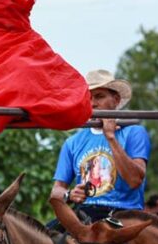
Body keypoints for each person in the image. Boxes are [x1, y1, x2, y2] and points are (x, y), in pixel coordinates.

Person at [50, 70, 151, 222]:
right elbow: (55, 191)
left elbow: (135, 180)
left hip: (124, 214)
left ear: (116, 99)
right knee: (43, 237)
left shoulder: (134, 132)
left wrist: (110, 137)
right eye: (88, 98)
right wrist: (69, 194)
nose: (92, 103)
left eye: (99, 96)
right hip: (85, 214)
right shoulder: (73, 142)